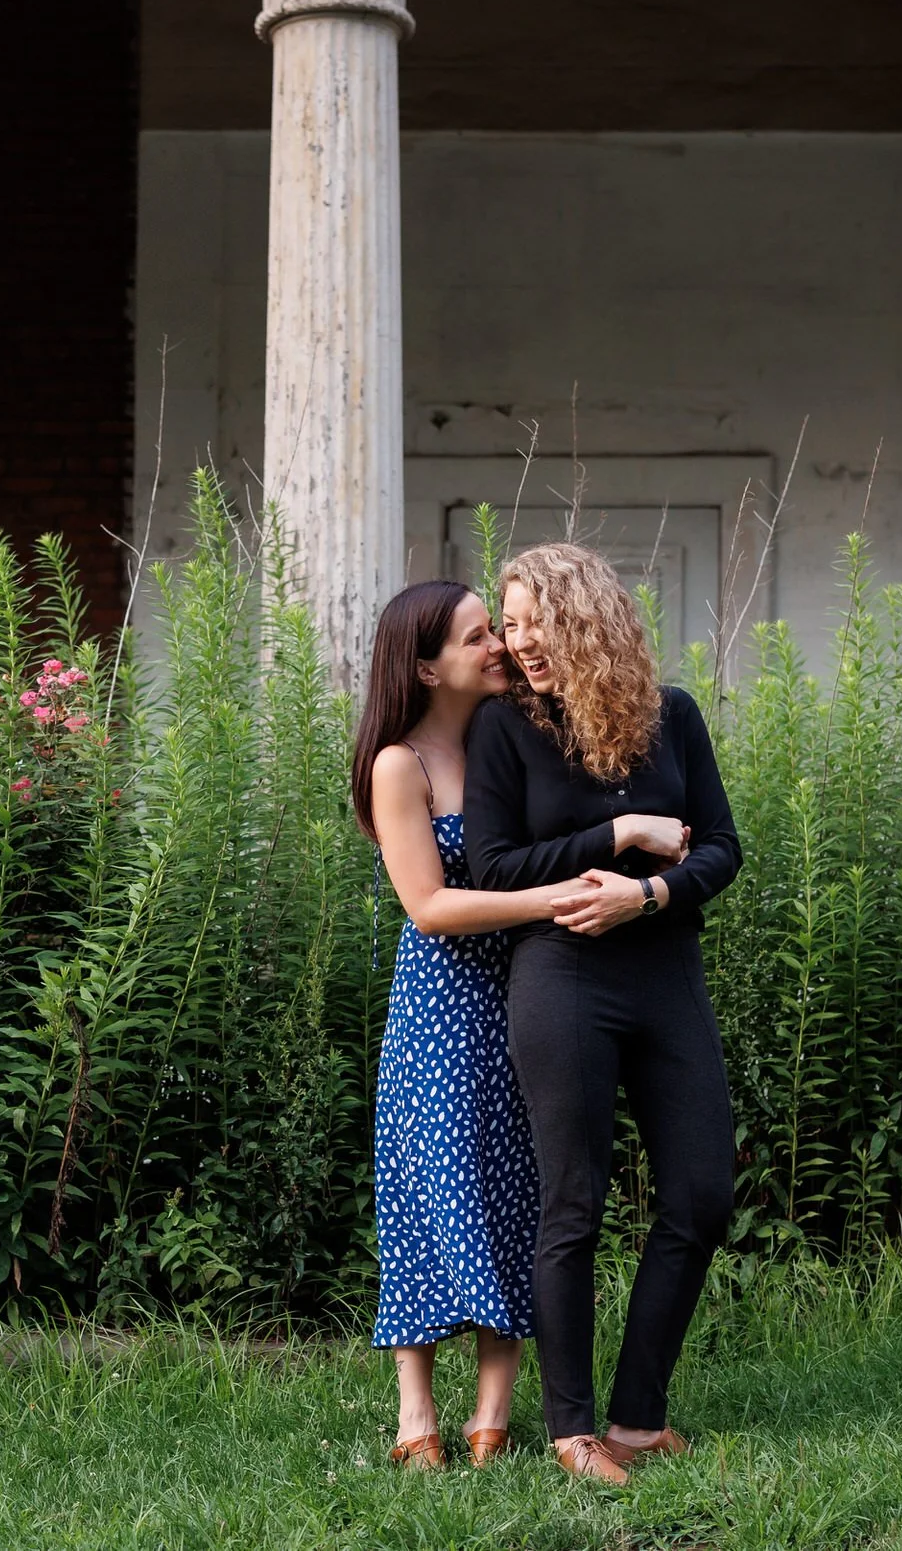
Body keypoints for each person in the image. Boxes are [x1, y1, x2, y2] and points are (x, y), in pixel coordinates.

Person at [352, 579, 657, 1472]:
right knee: (427, 1196)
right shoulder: (399, 763)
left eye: (498, 630)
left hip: (527, 992)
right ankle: (418, 1414)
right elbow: (429, 905)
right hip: (443, 1009)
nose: (500, 646)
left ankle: (492, 1417)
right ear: (424, 664)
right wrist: (556, 895)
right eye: (479, 635)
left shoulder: (511, 733)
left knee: (521, 1192)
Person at [462, 542, 742, 1485]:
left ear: (591, 622)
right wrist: (619, 836)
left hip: (665, 974)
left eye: (538, 621)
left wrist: (649, 897)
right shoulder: (505, 729)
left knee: (702, 1194)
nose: (520, 641)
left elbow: (722, 850)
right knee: (572, 1203)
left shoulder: (674, 718)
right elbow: (494, 865)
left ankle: (637, 1417)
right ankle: (571, 1428)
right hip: (564, 976)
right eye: (510, 624)